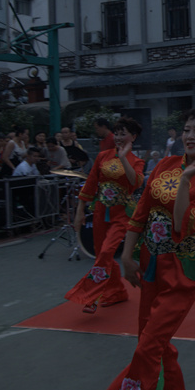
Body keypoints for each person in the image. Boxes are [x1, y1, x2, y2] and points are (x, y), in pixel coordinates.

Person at [80, 105, 195, 390]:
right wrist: (126, 257)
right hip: (148, 267)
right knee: (156, 347)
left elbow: (183, 226)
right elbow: (141, 212)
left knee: (147, 349)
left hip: (183, 273)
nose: (190, 136)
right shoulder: (164, 165)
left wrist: (187, 182)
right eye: (187, 128)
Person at [64, 118, 146, 314]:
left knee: (106, 252)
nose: (118, 137)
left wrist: (124, 158)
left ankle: (91, 295)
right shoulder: (102, 157)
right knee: (101, 254)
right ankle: (116, 292)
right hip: (100, 211)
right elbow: (91, 184)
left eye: (122, 133)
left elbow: (135, 182)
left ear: (133, 137)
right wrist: (80, 211)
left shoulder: (137, 161)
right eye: (116, 133)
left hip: (122, 214)